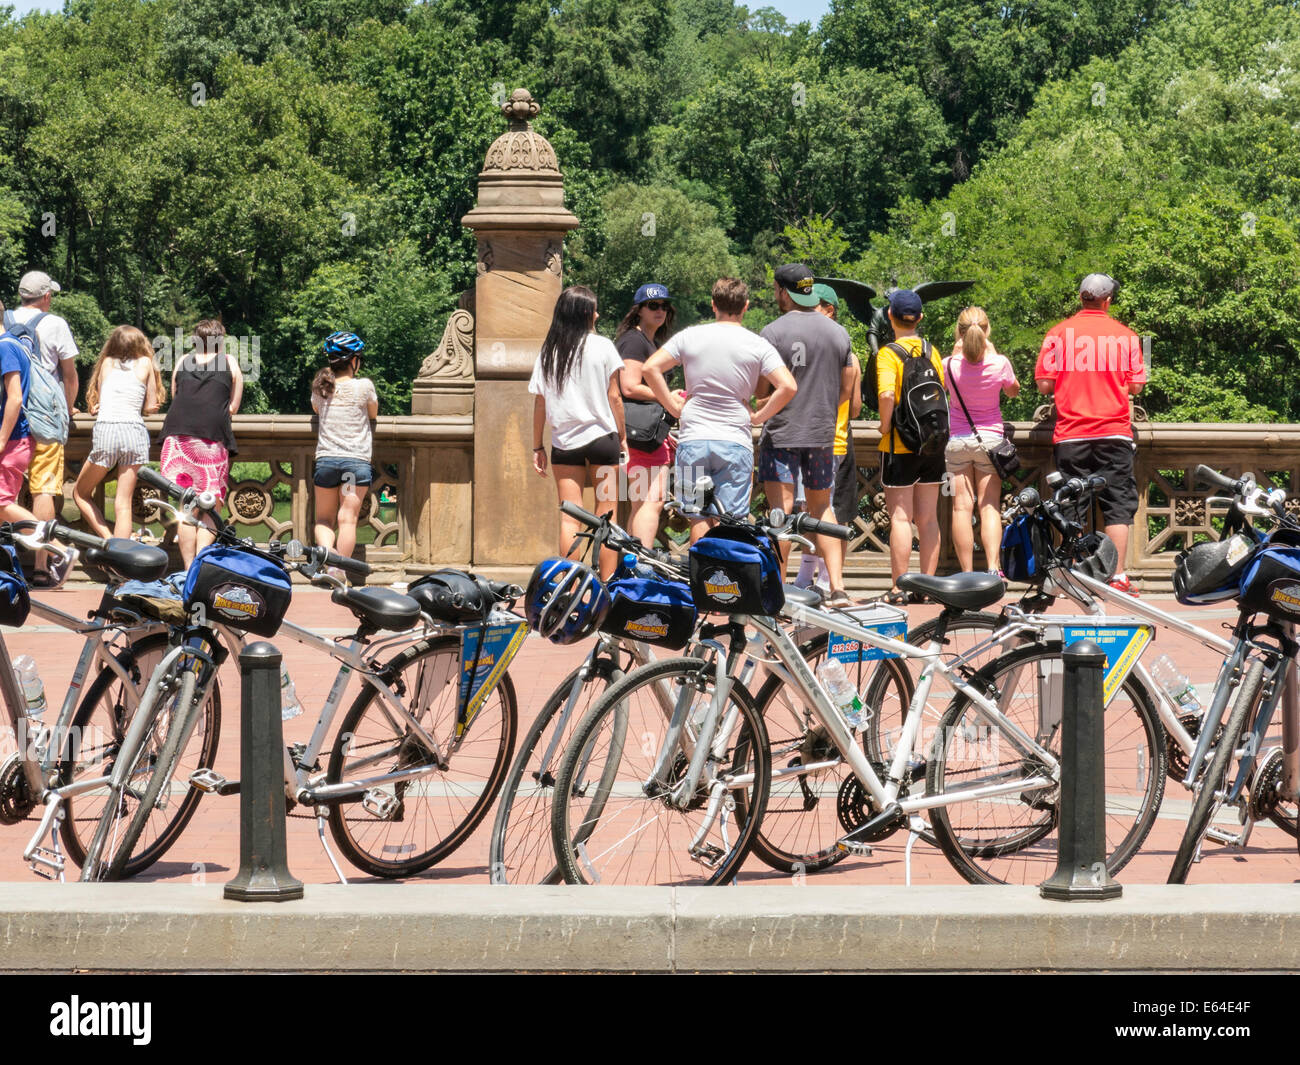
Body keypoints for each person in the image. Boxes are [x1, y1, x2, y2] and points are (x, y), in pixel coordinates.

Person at [641, 278, 796, 543]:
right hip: (734, 441)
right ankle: (725, 582)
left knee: (698, 515)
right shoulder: (756, 344)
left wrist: (671, 405)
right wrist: (759, 417)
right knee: (731, 521)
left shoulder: (691, 336)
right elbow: (788, 386)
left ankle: (699, 582)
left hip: (694, 439)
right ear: (745, 306)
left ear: (713, 305)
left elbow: (649, 368)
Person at [1035, 273, 1146, 594]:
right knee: (1118, 506)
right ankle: (1116, 577)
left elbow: (1044, 384)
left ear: (1081, 297)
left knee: (1070, 505)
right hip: (1115, 431)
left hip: (1071, 432)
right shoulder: (1127, 336)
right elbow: (1137, 385)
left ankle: (1070, 573)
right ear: (1108, 300)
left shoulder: (1057, 334)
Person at [756, 264, 856, 607]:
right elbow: (846, 389)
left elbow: (760, 389)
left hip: (782, 433)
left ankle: (776, 590)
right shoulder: (837, 332)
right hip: (821, 435)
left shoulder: (771, 332)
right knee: (822, 507)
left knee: (780, 513)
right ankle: (838, 587)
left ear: (783, 292)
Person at [530, 286, 627, 578]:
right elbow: (615, 398)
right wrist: (623, 437)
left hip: (565, 442)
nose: (598, 313)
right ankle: (607, 587)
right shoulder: (604, 346)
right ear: (586, 313)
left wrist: (537, 446)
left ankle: (570, 587)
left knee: (570, 518)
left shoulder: (549, 350)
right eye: (594, 309)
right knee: (607, 516)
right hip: (602, 438)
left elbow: (540, 403)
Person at [9, 271, 78, 584]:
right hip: (44, 420)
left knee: (5, 491)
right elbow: (69, 373)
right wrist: (68, 406)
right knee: (44, 488)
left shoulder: (5, 320)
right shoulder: (55, 323)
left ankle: (8, 561)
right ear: (47, 296)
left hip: (9, 421)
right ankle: (41, 565)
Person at [876, 288, 944, 603]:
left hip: (900, 445)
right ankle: (928, 587)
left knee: (900, 517)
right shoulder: (933, 351)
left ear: (890, 316)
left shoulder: (889, 353)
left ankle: (899, 587)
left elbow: (887, 394)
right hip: (932, 444)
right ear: (920, 318)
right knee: (928, 517)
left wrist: (885, 425)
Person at [795, 282, 863, 594]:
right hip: (836, 439)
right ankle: (824, 579)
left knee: (810, 511)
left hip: (807, 439)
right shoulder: (848, 351)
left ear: (829, 310)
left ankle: (809, 577)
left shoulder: (802, 347)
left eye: (812, 305)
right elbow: (857, 408)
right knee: (832, 511)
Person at [158, 319, 244, 566]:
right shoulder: (229, 362)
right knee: (209, 506)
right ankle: (201, 565)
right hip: (209, 441)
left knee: (187, 507)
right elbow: (233, 407)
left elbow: (176, 397)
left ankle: (187, 568)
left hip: (177, 440)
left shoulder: (182, 361)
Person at [945, 306, 1019, 575]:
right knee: (989, 506)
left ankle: (966, 573)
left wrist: (955, 354)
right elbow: (1013, 392)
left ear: (959, 333)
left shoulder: (948, 365)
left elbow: (946, 386)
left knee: (961, 508)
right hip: (990, 442)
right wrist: (994, 352)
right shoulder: (999, 363)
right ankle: (992, 568)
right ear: (987, 331)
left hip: (957, 442)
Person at [72, 326, 164, 540]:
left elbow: (103, 399)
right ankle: (121, 560)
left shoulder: (106, 363)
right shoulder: (146, 363)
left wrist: (97, 408)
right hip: (134, 431)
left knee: (80, 493)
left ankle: (108, 541)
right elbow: (151, 405)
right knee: (123, 503)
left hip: (107, 430)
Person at [615, 282, 676, 548]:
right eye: (653, 305)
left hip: (647, 435)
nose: (659, 310)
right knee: (651, 501)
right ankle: (642, 566)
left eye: (664, 305)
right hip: (639, 436)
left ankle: (633, 564)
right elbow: (629, 386)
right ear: (638, 309)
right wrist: (668, 397)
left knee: (644, 503)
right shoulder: (634, 341)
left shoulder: (650, 342)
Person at [312, 331, 378, 575]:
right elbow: (373, 413)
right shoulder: (364, 386)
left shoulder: (321, 387)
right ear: (353, 361)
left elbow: (316, 410)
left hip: (327, 461)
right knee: (347, 518)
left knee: (323, 520)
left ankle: (329, 558)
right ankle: (338, 570)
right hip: (355, 462)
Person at [0, 304, 36, 528]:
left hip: (13, 439)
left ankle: (58, 550)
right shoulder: (15, 345)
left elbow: (15, 398)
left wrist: (1, 440)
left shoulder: (5, 347)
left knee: (1, 503)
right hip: (16, 439)